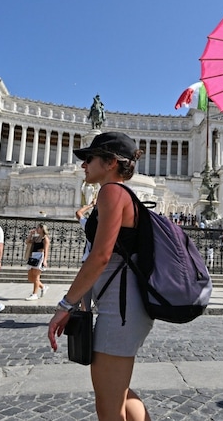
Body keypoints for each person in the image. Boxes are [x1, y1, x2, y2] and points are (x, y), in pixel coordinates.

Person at [47, 131, 152, 420]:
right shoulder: (120, 194)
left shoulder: (111, 192)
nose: (83, 165)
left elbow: (101, 256)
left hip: (120, 308)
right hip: (123, 305)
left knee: (108, 407)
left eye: (89, 158)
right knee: (119, 393)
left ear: (110, 163)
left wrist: (65, 305)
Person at [24, 223, 50, 300]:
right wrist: (31, 234)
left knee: (36, 277)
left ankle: (34, 294)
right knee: (30, 277)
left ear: (42, 229)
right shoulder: (36, 238)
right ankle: (43, 287)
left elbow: (46, 250)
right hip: (33, 256)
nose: (36, 229)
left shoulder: (45, 239)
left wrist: (45, 260)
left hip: (39, 257)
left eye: (38, 228)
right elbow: (27, 242)